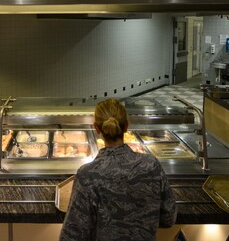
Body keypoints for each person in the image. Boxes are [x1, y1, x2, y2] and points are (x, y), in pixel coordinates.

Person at [59, 98, 177, 241]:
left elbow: (72, 235)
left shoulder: (88, 175)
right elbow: (168, 218)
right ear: (126, 126)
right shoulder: (151, 165)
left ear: (96, 129)